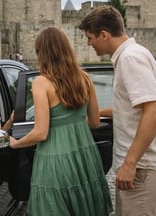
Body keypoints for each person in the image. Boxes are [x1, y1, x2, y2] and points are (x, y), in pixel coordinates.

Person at [78, 5, 156, 216]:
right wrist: (95, 114)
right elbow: (135, 110)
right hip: (142, 169)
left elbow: (154, 111)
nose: (88, 43)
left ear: (104, 35)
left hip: (145, 169)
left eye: (90, 37)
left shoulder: (130, 59)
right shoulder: (132, 55)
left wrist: (130, 164)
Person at [9, 26, 113, 215]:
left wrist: (16, 143)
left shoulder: (41, 83)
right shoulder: (85, 78)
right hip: (84, 156)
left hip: (54, 159)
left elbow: (41, 132)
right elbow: (95, 122)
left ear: (43, 53)